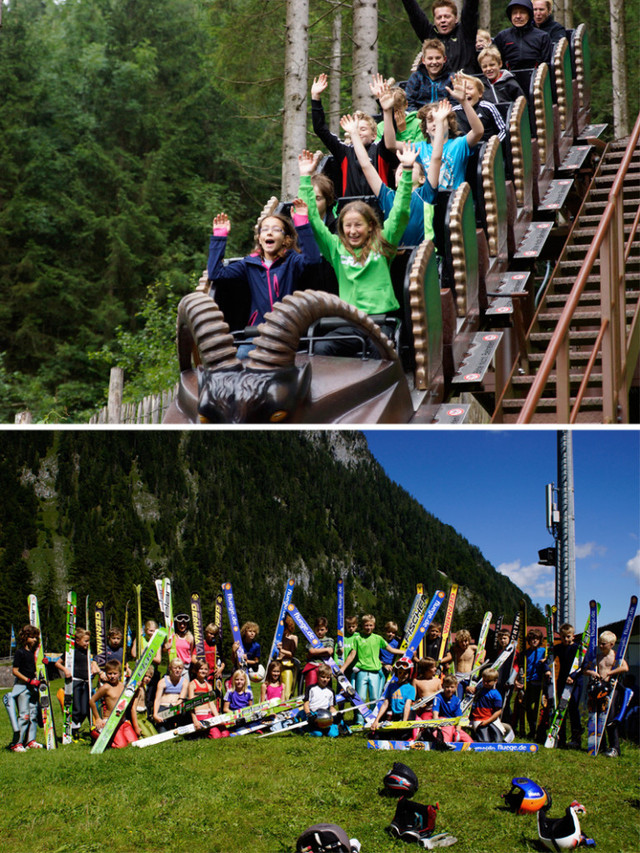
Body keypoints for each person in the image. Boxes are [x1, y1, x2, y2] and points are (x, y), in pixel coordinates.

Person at [297, 143, 420, 358]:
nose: (353, 231)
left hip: (380, 320)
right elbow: (314, 222)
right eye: (348, 226)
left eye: (358, 225)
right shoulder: (335, 247)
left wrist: (407, 171)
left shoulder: (382, 242)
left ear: (370, 226)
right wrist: (306, 179)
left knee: (378, 351)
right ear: (341, 228)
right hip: (350, 321)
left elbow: (400, 212)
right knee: (321, 349)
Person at [207, 203, 321, 357]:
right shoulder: (249, 264)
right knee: (241, 356)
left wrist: (301, 223)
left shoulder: (292, 261)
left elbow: (313, 261)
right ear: (260, 238)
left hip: (288, 331)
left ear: (286, 240)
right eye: (265, 229)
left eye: (276, 230)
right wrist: (219, 237)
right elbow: (215, 274)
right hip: (258, 332)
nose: (269, 233)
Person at [344, 95, 448, 246]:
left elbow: (436, 158)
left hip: (424, 255)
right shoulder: (387, 196)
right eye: (401, 167)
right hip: (393, 255)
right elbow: (366, 165)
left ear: (422, 179)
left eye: (410, 167)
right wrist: (354, 134)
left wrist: (439, 123)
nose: (403, 168)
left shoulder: (426, 193)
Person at [386, 75, 484, 192]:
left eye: (441, 119)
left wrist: (464, 102)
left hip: (454, 200)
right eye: (430, 120)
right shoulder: (419, 148)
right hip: (428, 202)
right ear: (426, 128)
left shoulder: (459, 144)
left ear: (449, 124)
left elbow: (478, 132)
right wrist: (386, 110)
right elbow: (390, 144)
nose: (436, 123)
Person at [311, 73, 398, 194]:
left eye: (363, 129)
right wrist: (315, 98)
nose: (358, 133)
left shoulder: (380, 149)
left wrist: (386, 108)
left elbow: (390, 133)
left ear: (374, 135)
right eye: (355, 130)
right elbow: (320, 129)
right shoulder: (345, 151)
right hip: (351, 206)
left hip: (378, 204)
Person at [342, 614, 408, 722]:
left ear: (374, 626)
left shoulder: (378, 638)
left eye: (370, 625)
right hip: (361, 672)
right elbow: (352, 655)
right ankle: (359, 720)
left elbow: (391, 650)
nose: (368, 627)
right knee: (361, 698)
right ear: (362, 626)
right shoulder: (357, 639)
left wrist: (406, 652)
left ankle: (372, 719)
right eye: (366, 625)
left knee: (374, 698)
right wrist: (343, 669)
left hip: (375, 673)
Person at [400, 0, 481, 74]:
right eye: (439, 17)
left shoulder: (465, 32)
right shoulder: (429, 34)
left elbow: (471, 8)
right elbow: (414, 13)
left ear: (456, 18)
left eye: (447, 17)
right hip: (439, 87)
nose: (443, 20)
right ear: (435, 21)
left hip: (465, 85)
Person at [583, 630, 629, 757]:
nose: (601, 646)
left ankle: (615, 747)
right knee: (597, 717)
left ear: (611, 644)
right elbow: (585, 670)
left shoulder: (615, 657)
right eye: (600, 643)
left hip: (611, 689)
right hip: (598, 688)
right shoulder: (598, 657)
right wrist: (592, 673)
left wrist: (610, 673)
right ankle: (600, 745)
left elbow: (625, 667)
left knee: (609, 718)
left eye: (603, 644)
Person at [544, 622, 584, 748]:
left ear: (573, 636)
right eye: (563, 637)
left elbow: (583, 665)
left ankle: (576, 739)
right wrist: (547, 669)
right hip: (562, 680)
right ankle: (560, 738)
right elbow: (548, 659)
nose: (566, 639)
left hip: (576, 681)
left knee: (573, 709)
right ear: (560, 637)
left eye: (568, 636)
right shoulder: (559, 647)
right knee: (561, 709)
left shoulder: (578, 648)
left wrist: (573, 677)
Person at [8, 625, 42, 751]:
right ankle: (17, 743)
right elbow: (15, 671)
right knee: (24, 716)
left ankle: (30, 740)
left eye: (35, 637)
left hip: (33, 688)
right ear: (25, 637)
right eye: (32, 637)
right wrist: (28, 680)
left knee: (33, 715)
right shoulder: (20, 652)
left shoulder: (33, 654)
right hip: (22, 688)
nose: (34, 640)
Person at [89, 660, 138, 748]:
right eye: (109, 673)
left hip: (122, 721)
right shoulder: (106, 687)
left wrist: (136, 687)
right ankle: (98, 735)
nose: (112, 676)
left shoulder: (123, 686)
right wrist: (97, 718)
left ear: (120, 674)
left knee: (134, 742)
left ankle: (111, 736)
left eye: (115, 673)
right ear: (106, 673)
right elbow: (92, 701)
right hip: (111, 721)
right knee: (121, 745)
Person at [493, 0, 553, 72]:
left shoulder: (542, 37)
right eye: (514, 13)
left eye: (522, 12)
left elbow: (547, 65)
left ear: (529, 15)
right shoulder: (502, 36)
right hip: (508, 79)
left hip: (536, 78)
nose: (518, 16)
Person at [55, 626, 92, 741]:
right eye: (85, 641)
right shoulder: (71, 652)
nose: (87, 643)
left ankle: (76, 729)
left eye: (88, 641)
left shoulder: (88, 652)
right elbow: (57, 663)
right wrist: (65, 670)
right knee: (76, 709)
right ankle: (73, 732)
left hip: (86, 683)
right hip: (75, 682)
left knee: (85, 710)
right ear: (77, 641)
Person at [451, 73, 508, 142]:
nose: (465, 92)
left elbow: (503, 130)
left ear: (480, 93)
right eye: (461, 89)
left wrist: (494, 145)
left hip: (489, 148)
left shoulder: (487, 107)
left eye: (469, 88)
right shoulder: (454, 111)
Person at [513, 629, 546, 739]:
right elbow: (520, 668)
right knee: (527, 707)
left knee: (539, 707)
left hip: (539, 683)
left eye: (536, 639)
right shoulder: (525, 653)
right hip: (527, 683)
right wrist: (517, 681)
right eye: (532, 639)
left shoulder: (544, 651)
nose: (534, 641)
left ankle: (540, 731)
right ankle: (530, 730)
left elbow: (550, 661)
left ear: (540, 640)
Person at [371, 658, 416, 736]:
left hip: (405, 714)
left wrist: (404, 723)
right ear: (396, 673)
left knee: (403, 736)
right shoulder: (391, 686)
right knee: (379, 735)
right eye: (400, 672)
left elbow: (407, 706)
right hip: (393, 714)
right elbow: (385, 704)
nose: (402, 675)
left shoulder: (411, 688)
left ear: (409, 674)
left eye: (405, 673)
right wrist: (376, 720)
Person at [404, 39, 453, 110]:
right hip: (420, 116)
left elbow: (455, 103)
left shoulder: (451, 78)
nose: (434, 62)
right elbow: (408, 101)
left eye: (438, 58)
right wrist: (417, 117)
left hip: (444, 114)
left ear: (444, 59)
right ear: (423, 60)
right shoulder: (416, 77)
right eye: (430, 58)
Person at [431, 673, 474, 743]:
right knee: (446, 739)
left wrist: (458, 731)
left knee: (468, 740)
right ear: (442, 686)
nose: (449, 689)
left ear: (456, 687)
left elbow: (459, 717)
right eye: (447, 687)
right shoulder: (438, 697)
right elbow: (435, 713)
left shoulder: (457, 700)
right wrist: (438, 726)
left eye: (452, 687)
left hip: (453, 723)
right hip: (442, 722)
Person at [441, 628, 480, 697]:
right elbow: (449, 656)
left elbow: (483, 650)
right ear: (458, 642)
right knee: (458, 697)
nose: (464, 644)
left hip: (469, 676)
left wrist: (481, 658)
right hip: (458, 677)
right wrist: (447, 664)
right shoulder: (455, 649)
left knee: (469, 697)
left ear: (469, 640)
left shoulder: (473, 648)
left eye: (466, 641)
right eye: (461, 642)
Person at [468, 668, 504, 742]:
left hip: (490, 719)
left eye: (488, 681)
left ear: (495, 681)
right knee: (485, 740)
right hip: (478, 719)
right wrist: (468, 688)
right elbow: (473, 690)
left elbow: (498, 711)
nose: (486, 683)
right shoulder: (480, 688)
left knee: (498, 740)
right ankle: (475, 736)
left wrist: (488, 721)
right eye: (484, 681)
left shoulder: (496, 695)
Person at [303, 663, 339, 737]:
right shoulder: (311, 688)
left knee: (334, 734)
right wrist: (308, 714)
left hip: (325, 716)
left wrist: (337, 715)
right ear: (318, 676)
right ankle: (306, 729)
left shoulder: (331, 691)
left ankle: (335, 728)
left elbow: (331, 707)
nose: (325, 680)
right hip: (314, 715)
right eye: (323, 677)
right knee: (318, 734)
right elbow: (306, 703)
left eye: (328, 678)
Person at [153, 657, 189, 732]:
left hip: (177, 708)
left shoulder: (185, 682)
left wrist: (175, 707)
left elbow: (181, 698)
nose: (177, 670)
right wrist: (155, 714)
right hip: (164, 708)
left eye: (180, 668)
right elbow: (157, 699)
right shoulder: (162, 681)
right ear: (170, 668)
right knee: (162, 732)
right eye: (175, 668)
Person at [187, 660, 219, 739]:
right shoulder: (192, 684)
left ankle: (206, 732)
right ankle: (204, 733)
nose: (203, 671)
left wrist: (218, 717)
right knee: (216, 736)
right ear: (196, 670)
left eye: (205, 669)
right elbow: (190, 705)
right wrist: (194, 720)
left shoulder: (208, 686)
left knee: (224, 733)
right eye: (201, 669)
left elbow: (211, 704)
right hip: (199, 715)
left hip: (208, 714)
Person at [302, 617, 335, 687]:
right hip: (312, 666)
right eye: (317, 630)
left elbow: (330, 651)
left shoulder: (329, 640)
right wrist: (325, 649)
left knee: (325, 688)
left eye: (322, 630)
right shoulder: (311, 640)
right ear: (314, 630)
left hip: (325, 667)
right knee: (311, 687)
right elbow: (311, 651)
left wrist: (316, 652)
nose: (320, 632)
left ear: (326, 630)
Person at [130, 666, 158, 739]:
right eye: (145, 676)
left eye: (149, 677)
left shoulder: (144, 687)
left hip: (144, 717)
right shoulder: (138, 689)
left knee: (156, 736)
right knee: (148, 738)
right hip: (138, 718)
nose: (147, 678)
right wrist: (136, 727)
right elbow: (133, 708)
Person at [277, 615, 299, 700]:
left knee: (287, 690)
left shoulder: (293, 638)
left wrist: (281, 650)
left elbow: (292, 653)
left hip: (287, 666)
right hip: (278, 665)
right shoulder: (278, 638)